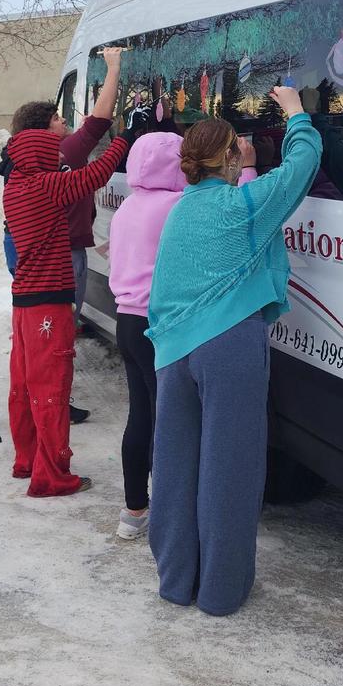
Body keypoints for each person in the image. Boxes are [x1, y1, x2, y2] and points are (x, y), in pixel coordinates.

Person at [145, 87, 322, 616]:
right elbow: (301, 166)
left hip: (173, 353)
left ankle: (177, 581)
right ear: (227, 158)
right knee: (231, 466)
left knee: (176, 465)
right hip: (229, 348)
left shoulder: (181, 212)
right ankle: (221, 591)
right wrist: (295, 113)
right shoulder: (246, 206)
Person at [108, 130, 258, 542]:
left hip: (126, 321)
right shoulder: (176, 205)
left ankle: (134, 509)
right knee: (172, 425)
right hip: (162, 326)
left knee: (141, 415)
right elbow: (233, 213)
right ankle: (175, 518)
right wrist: (246, 168)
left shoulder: (128, 208)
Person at [4, 124, 133, 497]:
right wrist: (124, 138)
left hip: (25, 302)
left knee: (25, 386)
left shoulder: (16, 186)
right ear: (38, 157)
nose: (61, 155)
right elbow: (97, 173)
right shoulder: (46, 187)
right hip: (49, 302)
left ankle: (26, 459)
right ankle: (51, 476)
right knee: (51, 390)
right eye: (53, 151)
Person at [0, 46, 124, 424]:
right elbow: (100, 126)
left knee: (36, 335)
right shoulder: (61, 155)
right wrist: (115, 68)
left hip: (27, 254)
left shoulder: (19, 166)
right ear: (43, 129)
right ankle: (54, 401)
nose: (63, 121)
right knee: (56, 331)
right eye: (56, 117)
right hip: (60, 257)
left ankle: (42, 397)